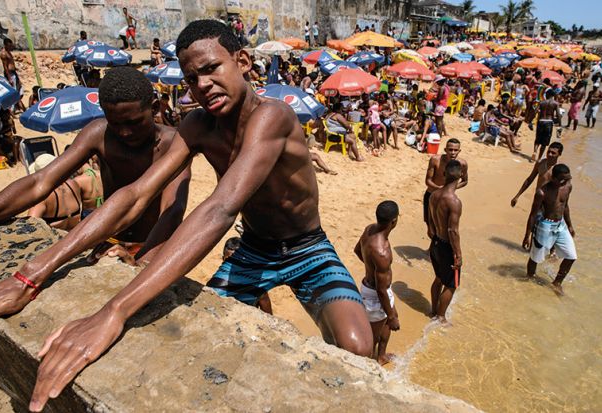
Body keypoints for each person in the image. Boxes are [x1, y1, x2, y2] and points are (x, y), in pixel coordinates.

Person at [24, 20, 373, 411]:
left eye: (210, 69)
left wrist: (114, 310)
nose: (202, 84)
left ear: (242, 61)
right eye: (192, 78)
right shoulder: (197, 125)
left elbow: (220, 208)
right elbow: (138, 193)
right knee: (197, 339)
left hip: (308, 250)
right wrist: (35, 271)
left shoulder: (272, 117)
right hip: (254, 250)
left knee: (356, 349)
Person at [0, 67, 192, 324]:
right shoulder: (99, 133)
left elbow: (172, 210)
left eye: (133, 122)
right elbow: (41, 181)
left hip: (152, 245)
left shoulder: (176, 143)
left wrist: (143, 259)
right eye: (116, 123)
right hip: (106, 239)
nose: (125, 132)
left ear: (153, 108)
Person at [354, 200, 400, 365]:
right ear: (393, 221)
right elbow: (381, 290)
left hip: (375, 289)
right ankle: (367, 365)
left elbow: (357, 250)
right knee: (372, 337)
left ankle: (381, 356)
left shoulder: (369, 230)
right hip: (376, 295)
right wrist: (392, 315)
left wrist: (369, 266)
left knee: (387, 322)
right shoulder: (382, 252)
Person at [523, 164, 576, 296]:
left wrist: (570, 225)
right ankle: (529, 278)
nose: (566, 181)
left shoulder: (568, 187)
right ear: (554, 178)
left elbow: (565, 206)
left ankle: (557, 282)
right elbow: (533, 214)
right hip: (545, 225)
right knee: (536, 257)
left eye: (568, 178)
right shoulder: (542, 192)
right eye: (563, 179)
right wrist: (527, 235)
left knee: (571, 256)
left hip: (561, 225)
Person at [428, 160, 463, 324]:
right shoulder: (454, 201)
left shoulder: (434, 195)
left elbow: (431, 222)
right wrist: (458, 254)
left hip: (435, 243)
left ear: (444, 174)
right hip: (446, 246)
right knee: (451, 284)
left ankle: (433, 310)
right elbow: (453, 231)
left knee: (438, 278)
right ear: (461, 176)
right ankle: (440, 317)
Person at [27, 154, 83, 231]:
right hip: (75, 236)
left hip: (58, 241)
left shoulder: (43, 197)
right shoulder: (74, 184)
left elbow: (30, 226)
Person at [423, 138, 468, 227]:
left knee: (445, 225)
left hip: (447, 198)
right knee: (429, 224)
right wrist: (440, 189)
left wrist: (451, 189)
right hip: (432, 195)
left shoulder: (462, 164)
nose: (453, 152)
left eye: (456, 150)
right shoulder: (435, 160)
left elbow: (465, 181)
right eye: (450, 149)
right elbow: (428, 181)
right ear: (445, 150)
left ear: (459, 151)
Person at [222, 237, 272, 314]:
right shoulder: (219, 282)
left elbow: (268, 315)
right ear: (223, 260)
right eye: (229, 260)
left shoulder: (257, 286)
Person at [511, 142, 563, 207]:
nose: (550, 154)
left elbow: (563, 190)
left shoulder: (560, 170)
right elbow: (529, 179)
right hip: (538, 200)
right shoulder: (540, 163)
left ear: (559, 154)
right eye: (548, 151)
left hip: (550, 204)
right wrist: (517, 196)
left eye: (553, 153)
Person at [532, 89, 560, 162]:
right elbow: (558, 115)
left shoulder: (542, 102)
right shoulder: (555, 103)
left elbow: (535, 111)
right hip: (549, 122)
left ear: (548, 94)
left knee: (538, 139)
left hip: (541, 121)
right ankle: (539, 158)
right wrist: (559, 124)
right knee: (544, 142)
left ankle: (535, 152)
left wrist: (532, 120)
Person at [0, 38, 26, 113]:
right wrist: (9, 78)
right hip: (10, 74)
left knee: (20, 90)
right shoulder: (3, 53)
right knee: (14, 92)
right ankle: (12, 110)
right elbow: (5, 66)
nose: (10, 47)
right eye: (9, 46)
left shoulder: (8, 52)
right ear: (5, 45)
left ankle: (17, 107)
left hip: (14, 73)